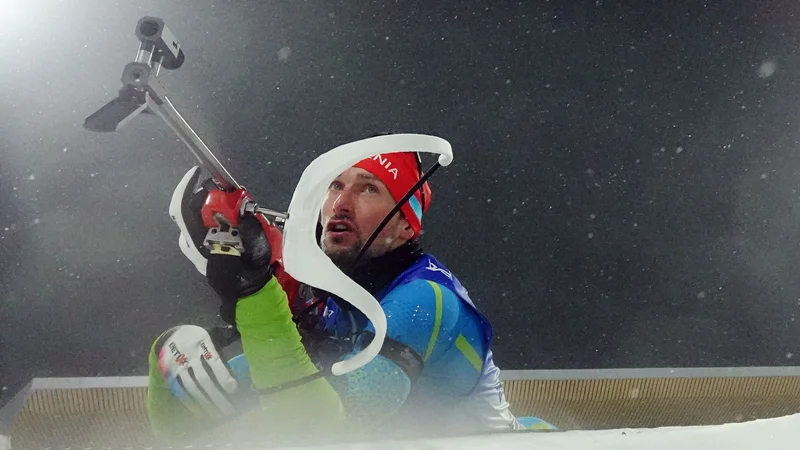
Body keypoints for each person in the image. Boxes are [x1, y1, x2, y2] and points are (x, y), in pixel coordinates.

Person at [147, 142, 550, 446]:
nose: (340, 203)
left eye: (369, 189)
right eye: (336, 185)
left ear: (406, 227)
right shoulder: (338, 301)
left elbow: (323, 432)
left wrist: (254, 292)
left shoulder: (426, 299)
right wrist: (166, 359)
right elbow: (186, 432)